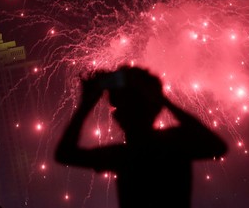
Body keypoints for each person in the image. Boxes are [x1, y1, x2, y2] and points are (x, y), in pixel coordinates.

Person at [55, 66, 227, 208]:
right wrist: (164, 101)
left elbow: (64, 154)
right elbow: (217, 146)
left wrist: (85, 105)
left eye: (119, 109)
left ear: (119, 117)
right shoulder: (175, 143)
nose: (116, 114)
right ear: (155, 109)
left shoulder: (123, 156)